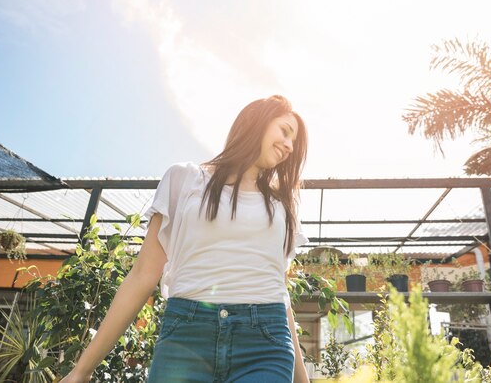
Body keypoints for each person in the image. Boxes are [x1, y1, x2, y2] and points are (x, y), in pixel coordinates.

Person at [60, 95, 310, 383]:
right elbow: (142, 275)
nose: (290, 147)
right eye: (285, 131)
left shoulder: (281, 203)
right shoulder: (185, 179)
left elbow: (278, 288)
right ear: (257, 122)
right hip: (187, 337)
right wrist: (81, 371)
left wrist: (302, 380)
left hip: (265, 343)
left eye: (294, 142)